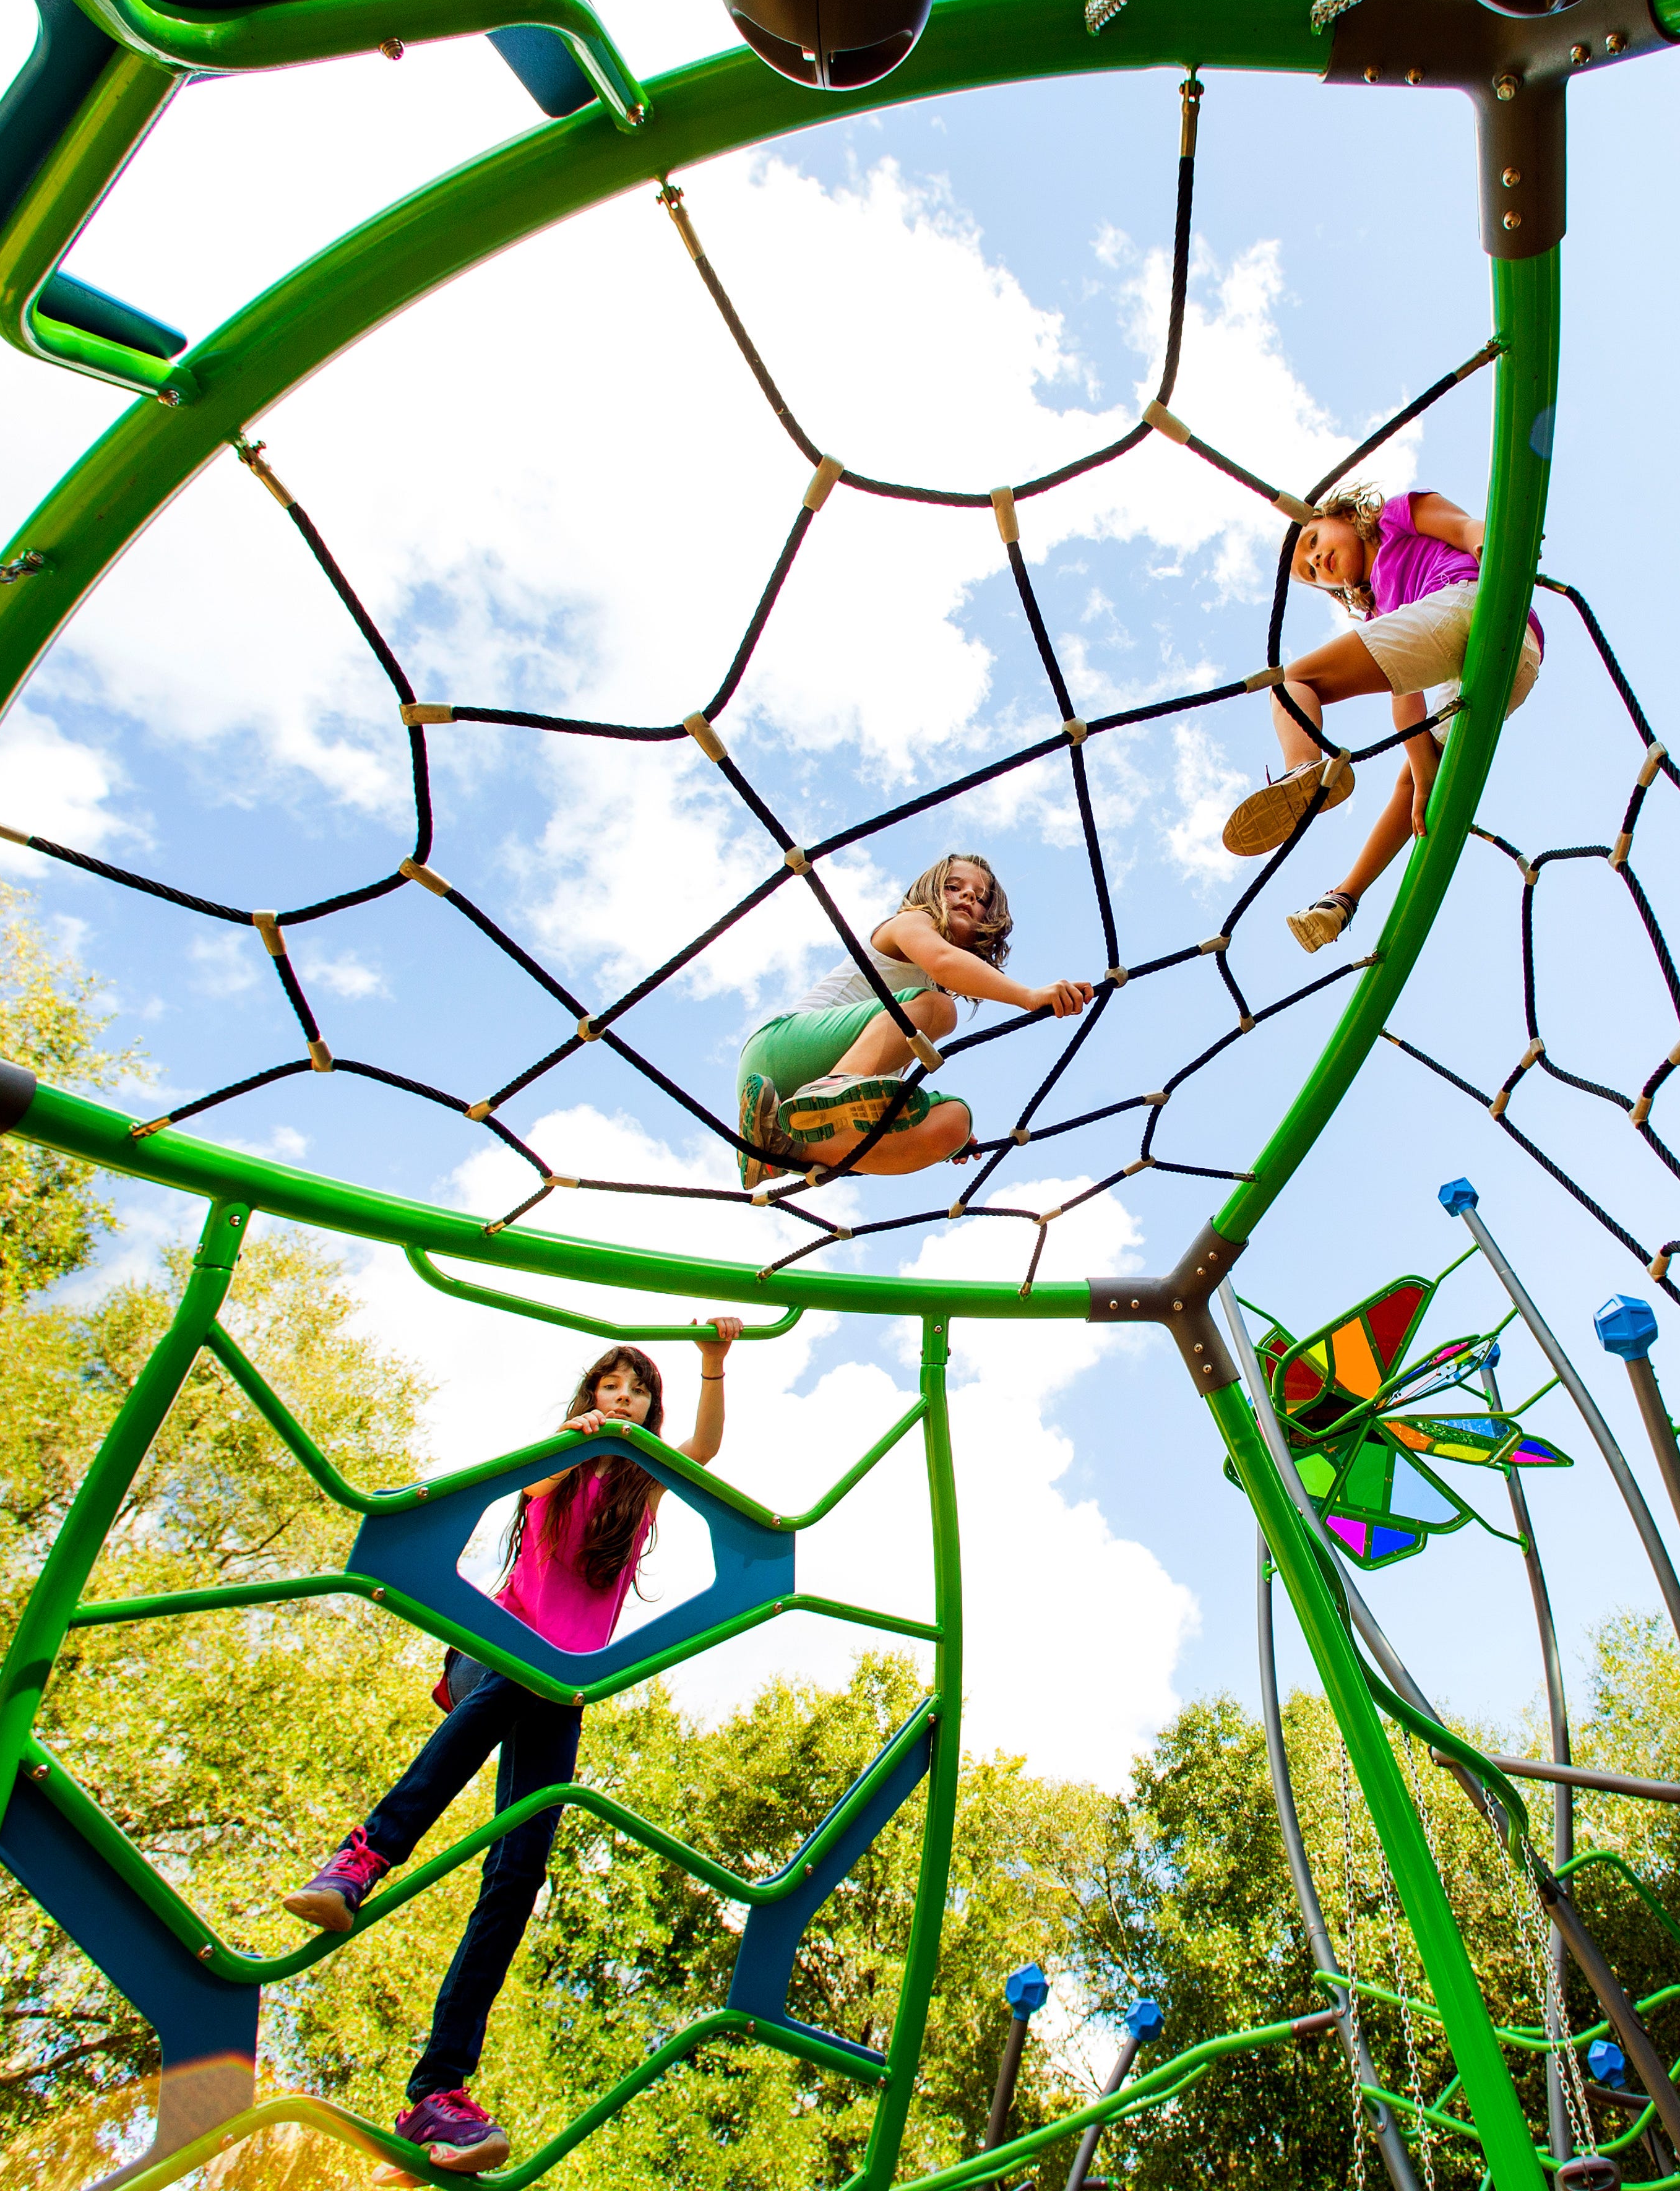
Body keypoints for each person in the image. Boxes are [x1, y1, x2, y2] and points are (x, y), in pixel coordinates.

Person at [281, 1326, 745, 2173]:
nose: (622, 1401)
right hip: (489, 1658)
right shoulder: (556, 1462)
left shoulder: (642, 1489)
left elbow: (704, 1451)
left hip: (558, 1688)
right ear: (588, 1399)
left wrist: (714, 1364)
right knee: (513, 1681)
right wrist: (579, 1441)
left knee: (520, 1868)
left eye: (637, 1393)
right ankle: (360, 1857)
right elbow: (534, 1480)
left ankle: (438, 2094)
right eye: (610, 1388)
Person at [1219, 485, 1545, 950]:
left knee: (1290, 683)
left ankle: (1306, 770)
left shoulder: (1395, 518)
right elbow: (1405, 697)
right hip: (1515, 664)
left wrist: (1494, 547)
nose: (1317, 562)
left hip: (1474, 601)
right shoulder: (1381, 609)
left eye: (1313, 542)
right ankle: (1342, 901)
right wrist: (1422, 770)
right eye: (1310, 572)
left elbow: (1464, 526)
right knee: (1412, 784)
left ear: (1344, 516)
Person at [733, 853, 1090, 1186]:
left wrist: (930, 1134)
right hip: (780, 1049)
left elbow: (946, 972)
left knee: (953, 1122)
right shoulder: (909, 924)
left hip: (783, 1107)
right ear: (930, 891)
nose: (968, 896)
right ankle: (832, 1086)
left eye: (981, 899)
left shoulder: (923, 1000)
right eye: (954, 886)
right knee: (937, 1010)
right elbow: (944, 962)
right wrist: (1028, 997)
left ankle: (780, 1152)